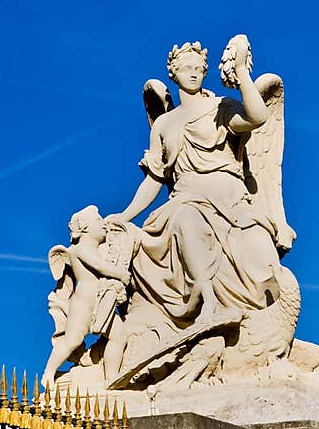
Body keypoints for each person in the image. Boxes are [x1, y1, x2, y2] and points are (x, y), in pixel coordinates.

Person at [109, 35, 282, 331]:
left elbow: (257, 117)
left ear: (205, 72)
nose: (192, 72)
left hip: (230, 199)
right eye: (185, 67)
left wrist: (241, 72)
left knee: (264, 262)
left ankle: (267, 331)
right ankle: (208, 305)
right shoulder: (164, 124)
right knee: (184, 219)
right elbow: (155, 179)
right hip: (186, 200)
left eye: (198, 68)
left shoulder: (221, 107)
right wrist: (124, 216)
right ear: (173, 74)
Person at [42, 205, 132, 388]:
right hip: (84, 303)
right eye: (98, 220)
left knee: (119, 335)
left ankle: (111, 379)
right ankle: (49, 373)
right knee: (72, 340)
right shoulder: (79, 249)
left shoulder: (94, 248)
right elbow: (99, 266)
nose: (103, 224)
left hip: (100, 302)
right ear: (84, 228)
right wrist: (120, 274)